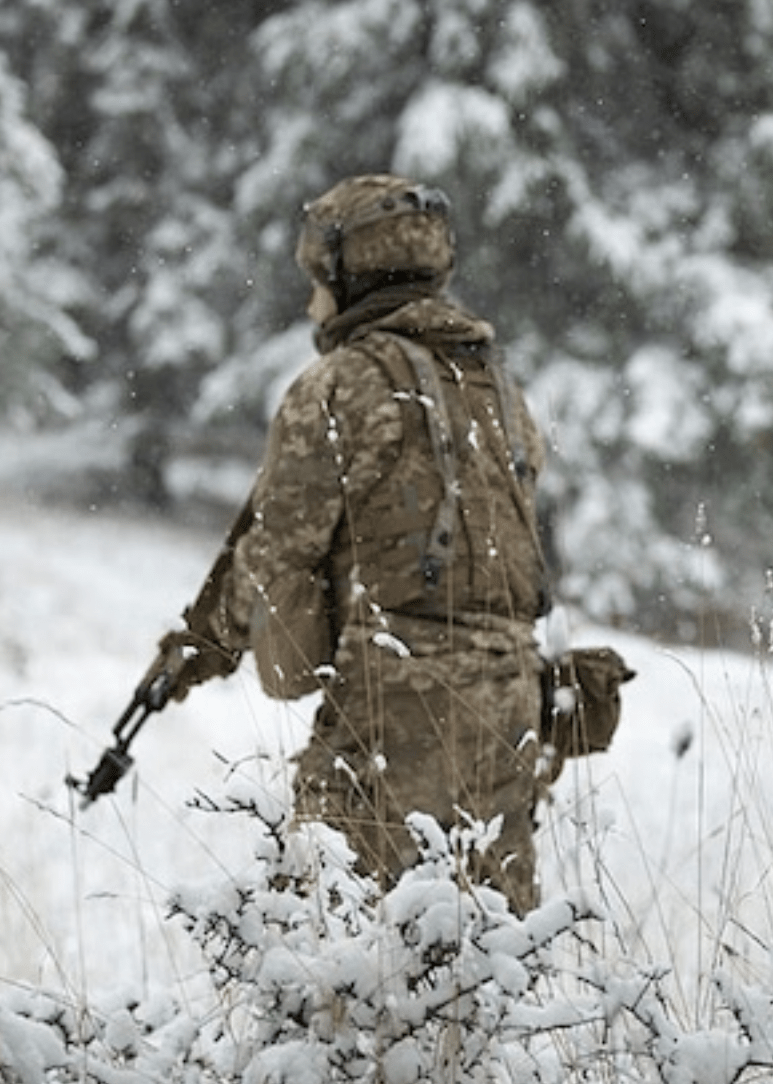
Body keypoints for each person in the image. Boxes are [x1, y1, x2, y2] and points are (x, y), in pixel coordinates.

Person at [141, 173, 553, 912]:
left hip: (396, 701)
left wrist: (203, 649)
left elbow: (277, 552)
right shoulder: (495, 383)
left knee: (337, 942)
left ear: (349, 276)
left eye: (317, 282)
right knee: (491, 950)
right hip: (514, 702)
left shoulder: (341, 384)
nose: (311, 303)